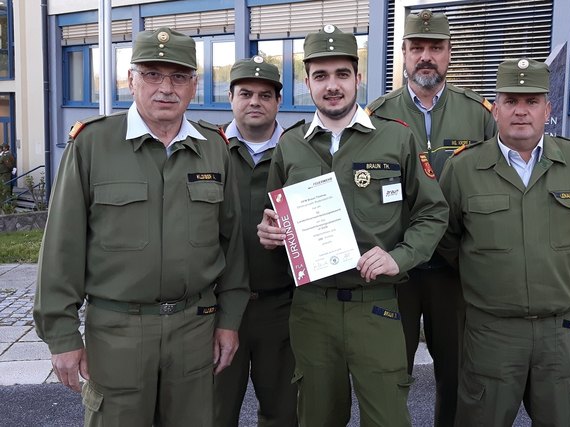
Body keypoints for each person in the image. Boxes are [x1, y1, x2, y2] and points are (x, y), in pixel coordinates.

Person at [33, 27, 250, 426]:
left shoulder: (214, 148)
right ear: (130, 79)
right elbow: (61, 248)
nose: (166, 88)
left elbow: (232, 245)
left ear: (194, 85)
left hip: (194, 328)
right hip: (117, 333)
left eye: (179, 76)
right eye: (152, 74)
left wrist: (230, 321)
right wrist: (62, 335)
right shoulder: (93, 145)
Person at [257, 24, 449, 427]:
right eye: (321, 76)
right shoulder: (291, 146)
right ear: (306, 82)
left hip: (375, 307)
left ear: (358, 78)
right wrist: (270, 234)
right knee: (317, 417)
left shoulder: (396, 139)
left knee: (388, 419)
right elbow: (274, 216)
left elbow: (433, 212)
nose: (332, 86)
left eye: (342, 74)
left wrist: (400, 257)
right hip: (312, 310)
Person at [438, 58, 570, 426]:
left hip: (556, 332)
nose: (521, 111)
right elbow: (448, 239)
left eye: (531, 101)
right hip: (491, 332)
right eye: (511, 101)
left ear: (548, 108)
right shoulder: (463, 168)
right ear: (496, 109)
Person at [366, 10, 497, 426]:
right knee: (390, 374)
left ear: (449, 55)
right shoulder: (377, 114)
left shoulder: (479, 114)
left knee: (457, 376)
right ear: (403, 54)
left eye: (435, 48)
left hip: (454, 272)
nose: (426, 56)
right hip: (395, 270)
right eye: (417, 48)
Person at [213, 56, 297, 427]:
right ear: (230, 98)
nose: (255, 102)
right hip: (215, 310)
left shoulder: (302, 151)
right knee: (213, 412)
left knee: (283, 413)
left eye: (265, 94)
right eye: (245, 93)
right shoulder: (206, 149)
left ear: (279, 102)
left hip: (279, 306)